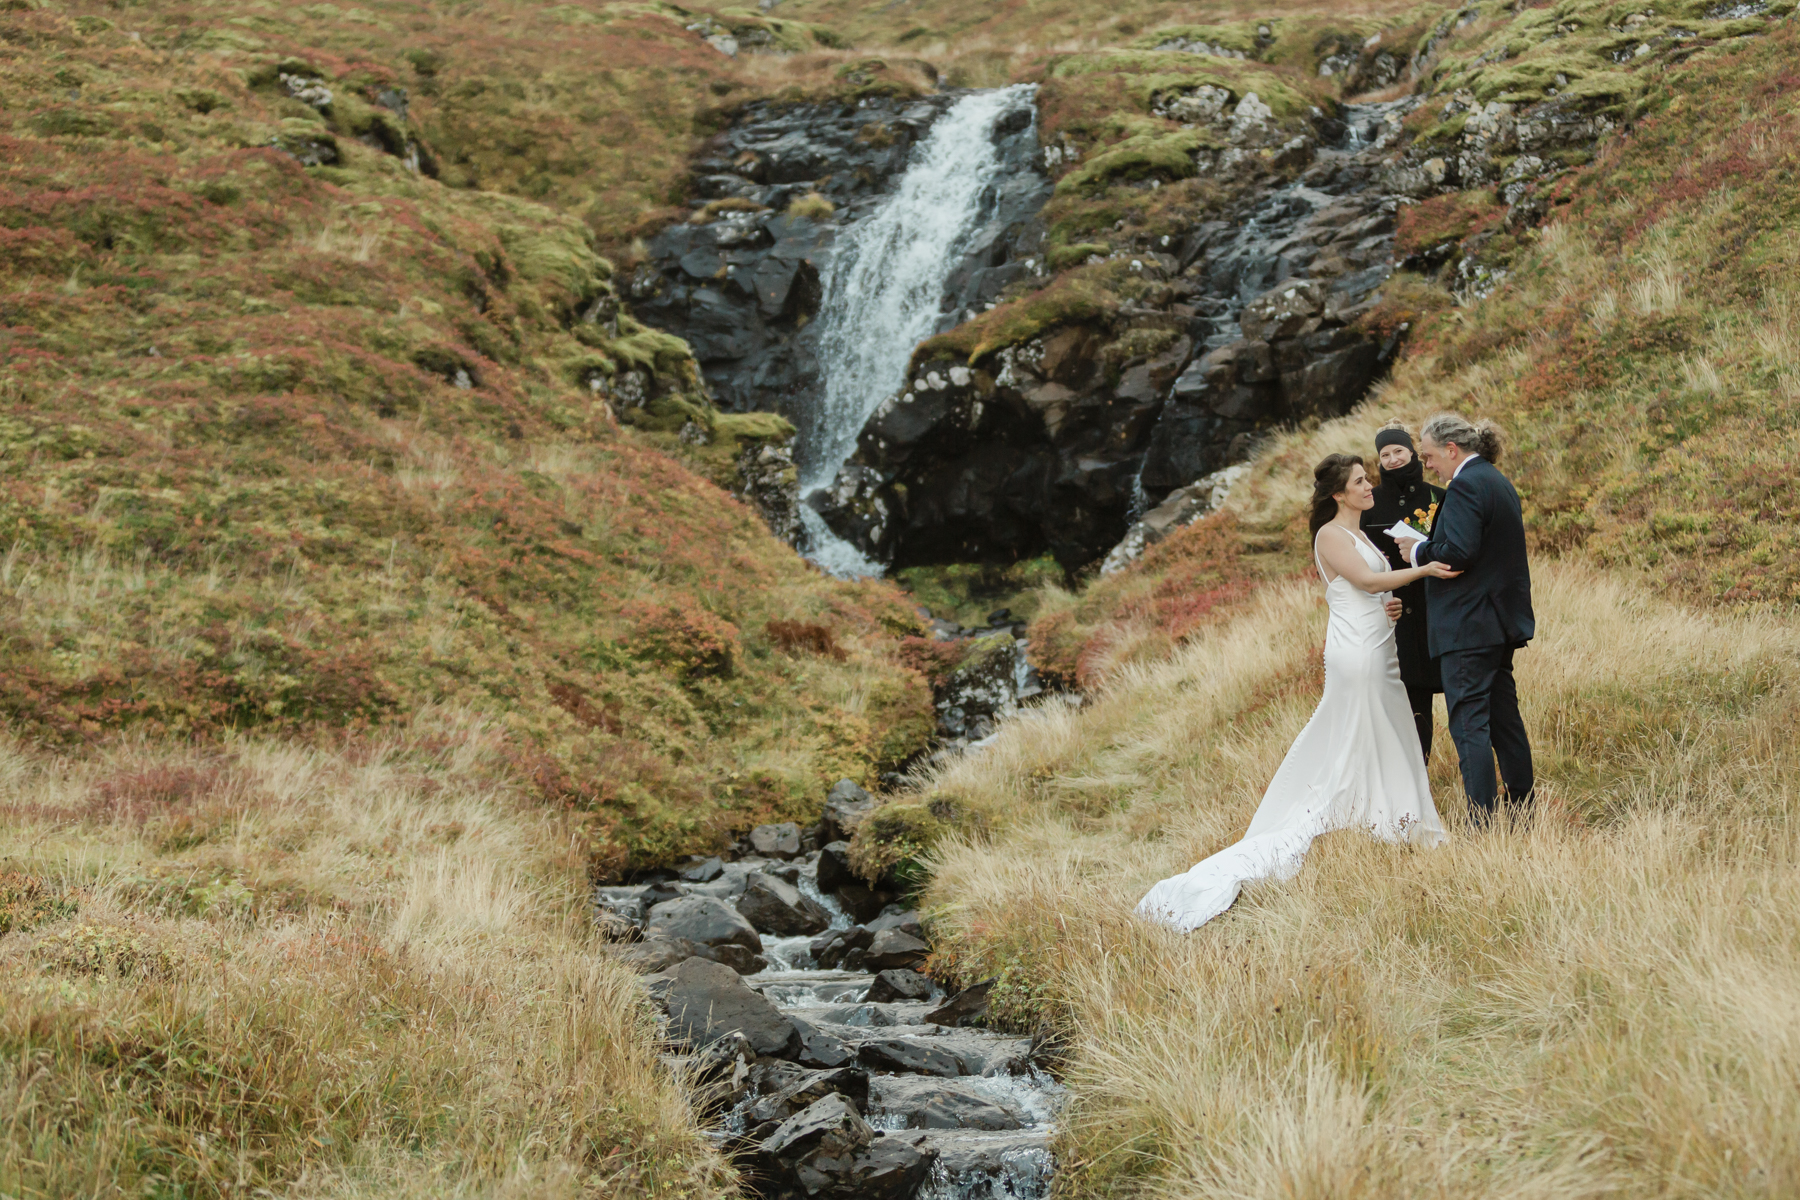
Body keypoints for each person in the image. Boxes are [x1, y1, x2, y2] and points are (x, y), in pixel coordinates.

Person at [1136, 454, 1453, 932]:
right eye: (1361, 481)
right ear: (1338, 494)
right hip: (1357, 655)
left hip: (1375, 643)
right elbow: (1365, 579)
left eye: (1367, 479)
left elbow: (1366, 590)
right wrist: (1423, 572)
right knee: (1362, 732)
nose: (1371, 486)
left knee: (1386, 731)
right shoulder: (1331, 534)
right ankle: (1374, 817)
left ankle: (1393, 819)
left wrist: (1387, 605)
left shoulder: (1360, 532)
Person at [1392, 413, 1536, 823]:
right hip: (1495, 624)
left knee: (1469, 726)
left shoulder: (1467, 485)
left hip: (1468, 628)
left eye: (1430, 455)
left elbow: (1457, 553)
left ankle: (1482, 824)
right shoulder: (1496, 480)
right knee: (1505, 722)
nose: (1428, 464)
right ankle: (1523, 813)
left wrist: (1417, 552)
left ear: (1452, 450)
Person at [1362, 424, 1446, 765]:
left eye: (1399, 451)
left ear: (1413, 453)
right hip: (1392, 616)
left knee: (1457, 696)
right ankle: (1414, 777)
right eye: (1385, 454)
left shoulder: (1439, 497)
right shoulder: (1369, 505)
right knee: (1410, 703)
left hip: (1438, 612)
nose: (1393, 459)